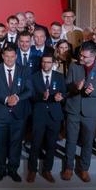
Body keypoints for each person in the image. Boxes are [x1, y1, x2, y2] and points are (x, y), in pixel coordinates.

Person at [62, 43, 96, 182]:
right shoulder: (73, 66)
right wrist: (76, 87)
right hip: (73, 109)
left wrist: (92, 91)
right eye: (80, 54)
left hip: (91, 111)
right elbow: (67, 84)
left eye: (84, 56)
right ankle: (68, 168)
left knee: (88, 142)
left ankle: (83, 169)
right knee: (70, 140)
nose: (81, 57)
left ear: (94, 56)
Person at [0, 47, 31, 182]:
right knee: (0, 143)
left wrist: (16, 97)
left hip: (18, 113)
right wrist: (6, 99)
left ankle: (13, 169)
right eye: (7, 56)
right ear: (3, 56)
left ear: (16, 56)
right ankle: (1, 169)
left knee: (16, 143)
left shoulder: (24, 70)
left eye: (12, 56)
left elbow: (29, 90)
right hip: (0, 113)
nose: (9, 59)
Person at [27, 54, 66, 183]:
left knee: (51, 145)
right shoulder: (34, 77)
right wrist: (42, 97)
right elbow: (31, 96)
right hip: (39, 114)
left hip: (54, 115)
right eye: (44, 62)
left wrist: (61, 97)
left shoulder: (59, 77)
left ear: (53, 63)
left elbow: (64, 92)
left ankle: (47, 170)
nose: (46, 65)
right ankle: (32, 170)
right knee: (36, 144)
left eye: (48, 62)